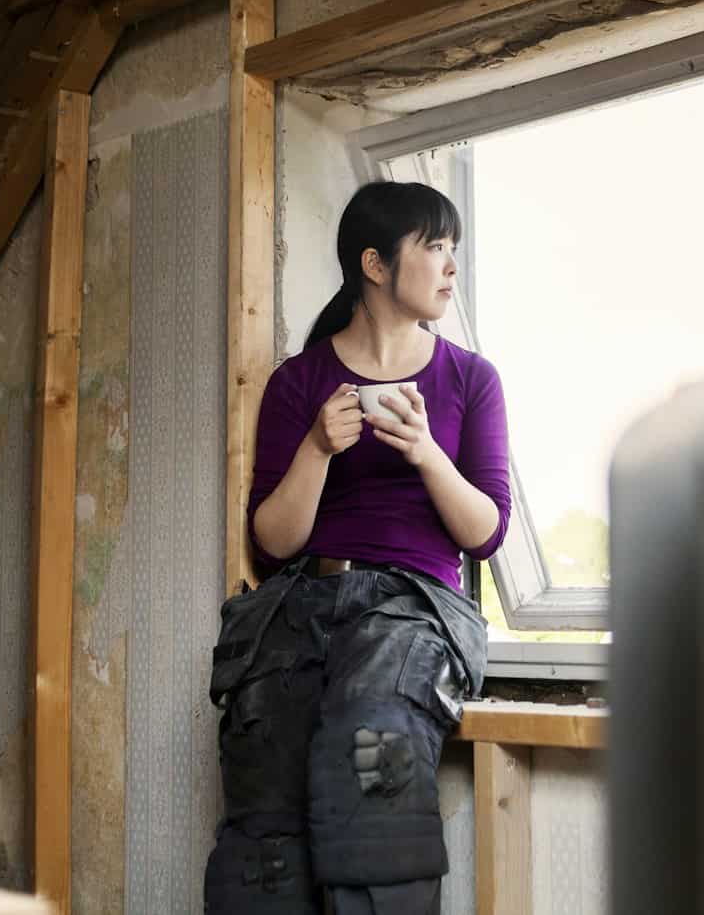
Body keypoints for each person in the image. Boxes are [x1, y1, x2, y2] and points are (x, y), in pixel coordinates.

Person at [205, 180, 513, 915]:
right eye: (433, 247)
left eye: (453, 249)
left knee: (370, 751)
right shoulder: (299, 382)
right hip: (305, 599)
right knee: (264, 817)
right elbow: (274, 543)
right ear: (375, 264)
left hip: (414, 606)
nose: (449, 266)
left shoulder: (470, 379)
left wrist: (429, 455)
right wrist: (316, 446)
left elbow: (487, 529)